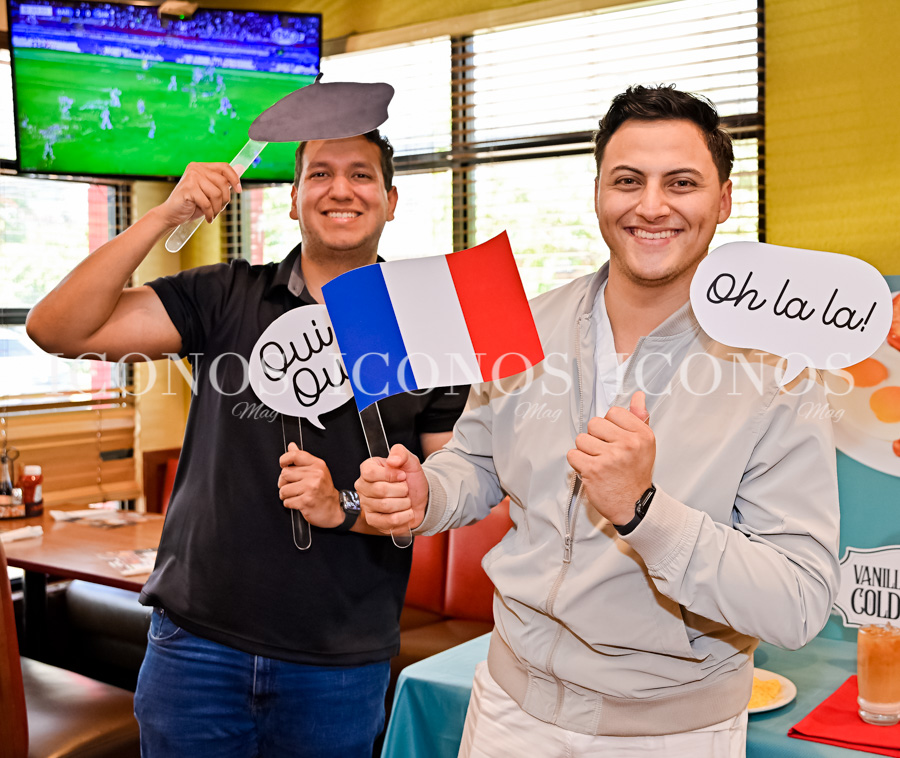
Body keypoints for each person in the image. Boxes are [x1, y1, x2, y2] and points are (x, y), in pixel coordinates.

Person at [356, 85, 841, 757]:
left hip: (671, 733)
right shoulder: (524, 322)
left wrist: (645, 511)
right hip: (508, 710)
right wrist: (426, 493)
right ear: (597, 193)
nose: (651, 205)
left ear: (723, 200)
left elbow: (798, 601)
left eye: (681, 183)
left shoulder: (780, 371)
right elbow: (476, 463)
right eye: (627, 180)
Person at [26, 130, 467, 757]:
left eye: (361, 175)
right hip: (195, 648)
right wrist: (164, 215)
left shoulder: (423, 319)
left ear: (391, 200)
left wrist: (344, 506)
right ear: (292, 199)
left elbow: (444, 490)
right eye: (319, 174)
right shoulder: (226, 294)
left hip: (338, 661)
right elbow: (56, 329)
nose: (340, 189)